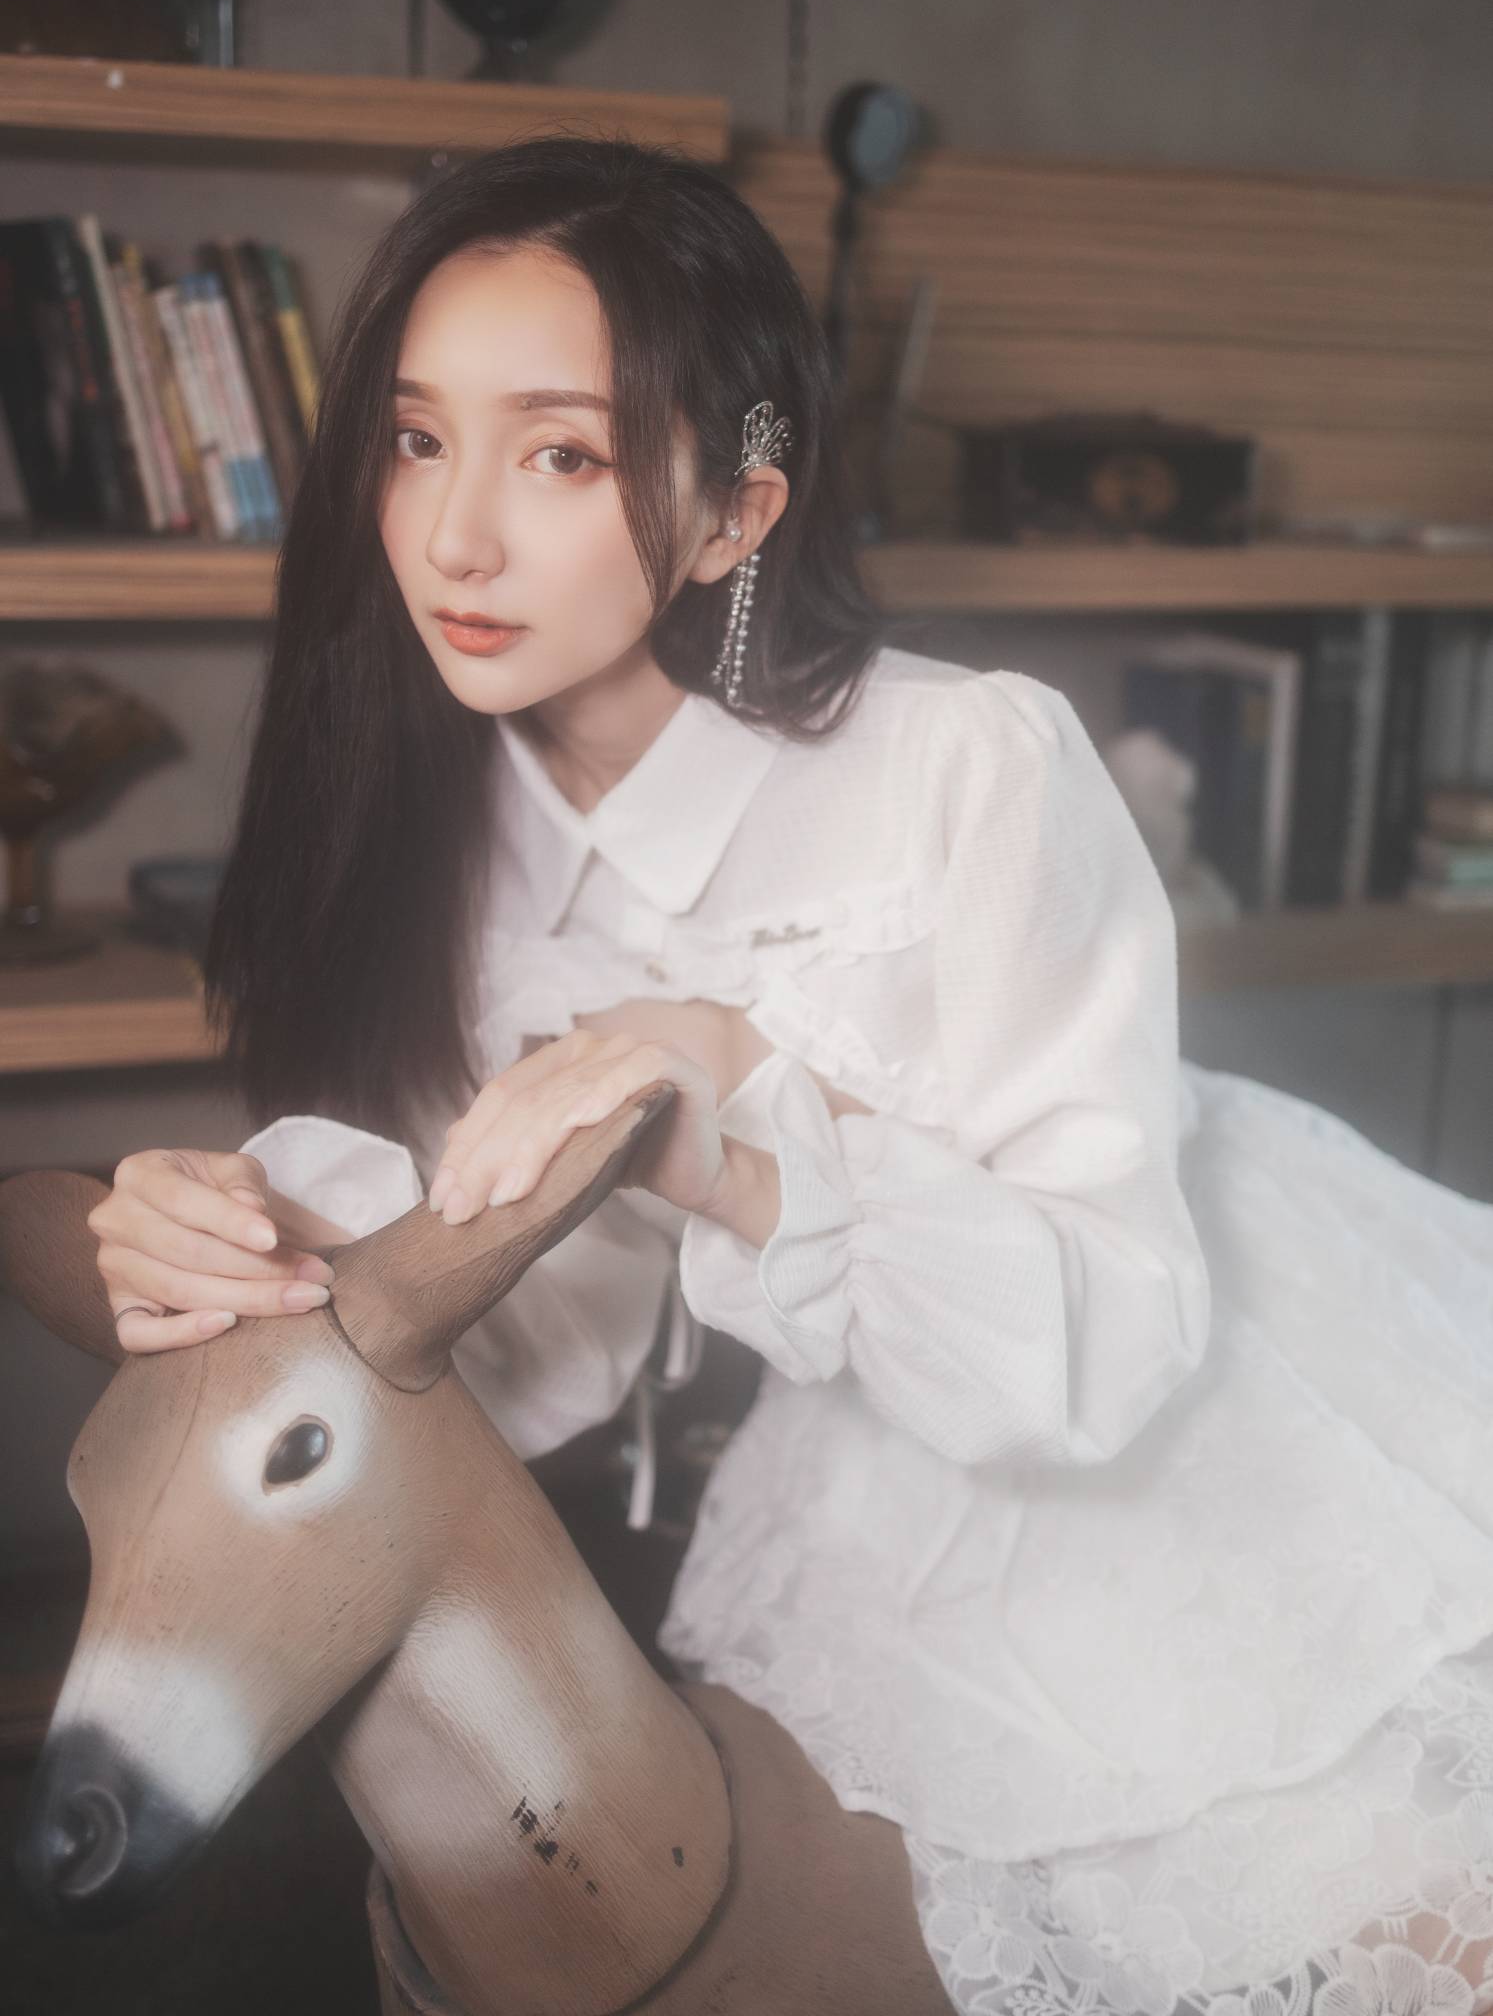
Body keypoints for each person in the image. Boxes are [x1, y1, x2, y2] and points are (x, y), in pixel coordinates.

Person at [85, 137, 1493, 2016]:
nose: (452, 538)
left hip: (1198, 1378)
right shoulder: (432, 834)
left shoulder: (970, 764)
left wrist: (744, 1121)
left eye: (558, 455)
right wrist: (244, 1263)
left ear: (734, 515)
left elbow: (1105, 1339)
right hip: (851, 1478)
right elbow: (537, 1349)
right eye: (418, 439)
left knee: (1359, 1911)